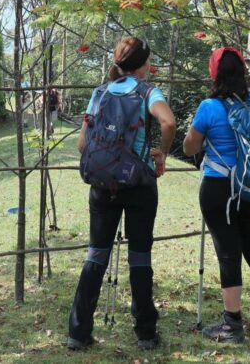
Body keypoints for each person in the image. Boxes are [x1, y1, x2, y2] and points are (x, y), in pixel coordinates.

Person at [67, 37, 176, 351]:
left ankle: (78, 332)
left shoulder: (99, 93)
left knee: (95, 255)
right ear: (143, 64)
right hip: (139, 185)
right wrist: (161, 154)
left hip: (103, 187)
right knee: (139, 256)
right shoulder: (147, 91)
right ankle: (145, 332)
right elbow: (168, 122)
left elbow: (82, 145)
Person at [183, 47, 250, 343]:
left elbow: (189, 148)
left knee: (229, 254)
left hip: (220, 189)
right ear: (243, 72)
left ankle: (232, 325)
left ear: (213, 74)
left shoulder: (209, 108)